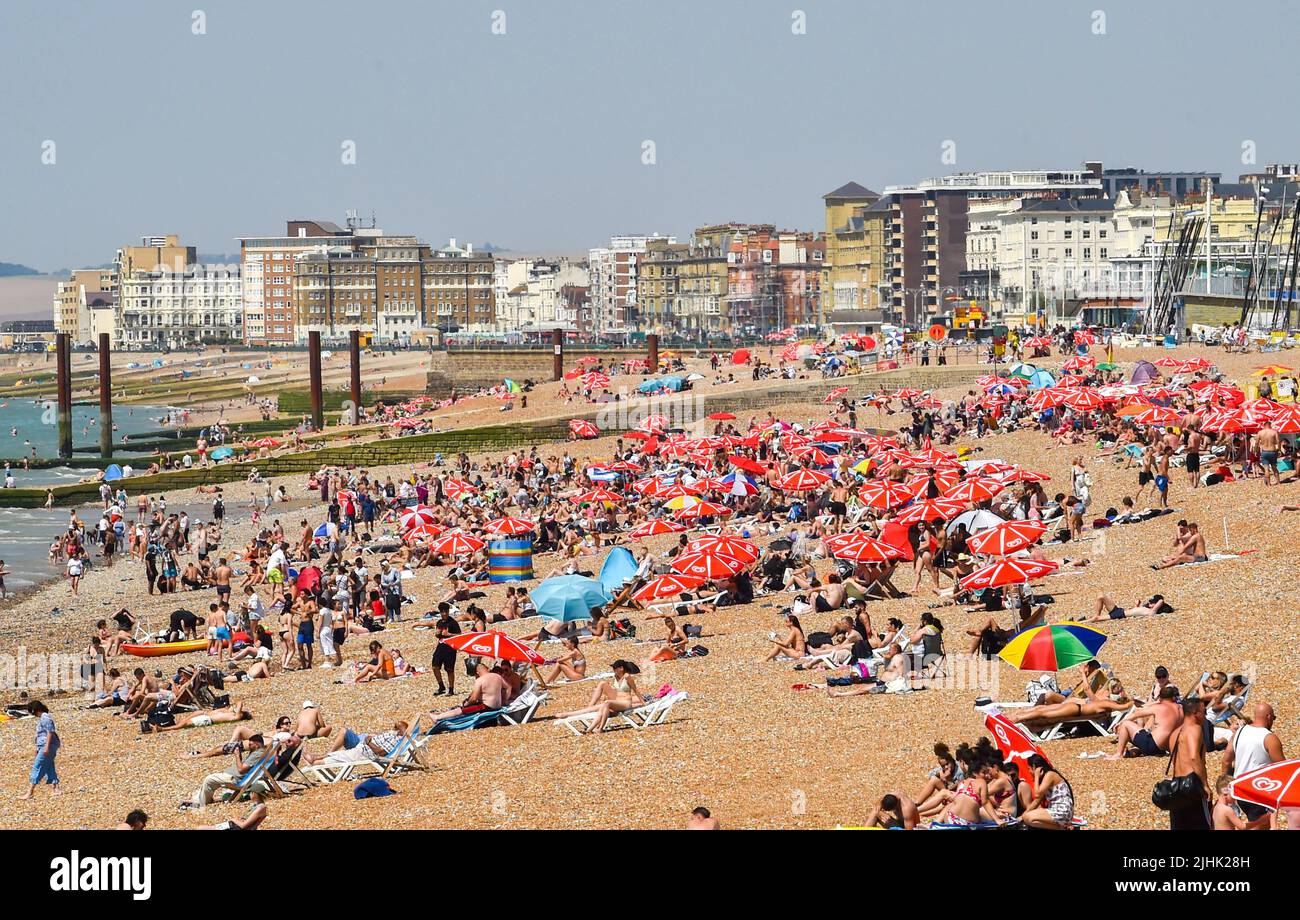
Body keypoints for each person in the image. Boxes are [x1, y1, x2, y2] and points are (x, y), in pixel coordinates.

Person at [1222, 702, 1286, 827]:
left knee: (1255, 822)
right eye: (1273, 718)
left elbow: (1226, 761)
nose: (1273, 721)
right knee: (1262, 824)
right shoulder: (1269, 738)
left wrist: (1223, 789)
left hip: (1239, 790)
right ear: (1268, 716)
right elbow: (1282, 767)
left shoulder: (1239, 732)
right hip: (1257, 791)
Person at [550, 660, 644, 733]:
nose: (613, 670)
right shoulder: (616, 676)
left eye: (615, 668)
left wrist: (643, 703)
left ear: (621, 668)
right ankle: (588, 728)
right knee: (600, 708)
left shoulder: (627, 677)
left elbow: (636, 690)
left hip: (626, 703)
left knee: (606, 703)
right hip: (617, 702)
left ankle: (600, 728)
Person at [1167, 697, 1212, 830]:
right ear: (1195, 713)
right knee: (1201, 824)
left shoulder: (1175, 732)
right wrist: (1205, 785)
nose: (1205, 715)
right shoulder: (1195, 729)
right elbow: (1193, 758)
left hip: (1176, 784)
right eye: (1204, 712)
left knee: (1180, 825)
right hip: (1191, 784)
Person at [1107, 686, 1182, 759]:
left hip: (1152, 746)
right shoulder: (1180, 709)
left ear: (1160, 698)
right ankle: (1134, 750)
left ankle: (1118, 754)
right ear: (1173, 697)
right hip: (1165, 749)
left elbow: (1136, 714)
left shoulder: (1159, 707)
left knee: (1125, 724)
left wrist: (1119, 723)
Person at [1020, 755, 1074, 829]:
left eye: (1029, 768)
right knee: (1026, 817)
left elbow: (1037, 794)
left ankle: (1061, 828)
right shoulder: (1046, 778)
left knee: (1028, 818)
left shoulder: (1050, 775)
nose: (1029, 771)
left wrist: (1036, 776)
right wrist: (1023, 814)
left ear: (1034, 767)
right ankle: (1061, 827)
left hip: (1062, 810)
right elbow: (1037, 801)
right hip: (1056, 810)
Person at [21, 701, 60, 799]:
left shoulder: (45, 717)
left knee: (37, 766)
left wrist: (46, 747)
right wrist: (38, 748)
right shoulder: (43, 717)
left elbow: (50, 732)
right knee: (49, 766)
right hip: (44, 745)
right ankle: (56, 789)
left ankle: (30, 792)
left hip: (47, 745)